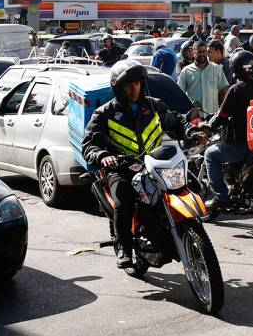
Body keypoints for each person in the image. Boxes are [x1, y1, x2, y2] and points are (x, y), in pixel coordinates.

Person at [82, 60, 194, 268]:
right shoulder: (104, 113)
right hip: (122, 168)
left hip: (156, 164)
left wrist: (192, 131)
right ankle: (123, 246)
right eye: (128, 85)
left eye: (137, 83)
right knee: (123, 198)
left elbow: (176, 121)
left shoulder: (154, 105)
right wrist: (103, 156)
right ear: (118, 87)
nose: (134, 89)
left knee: (186, 183)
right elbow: (89, 144)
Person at [203, 51, 253, 211]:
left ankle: (221, 198)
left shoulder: (236, 90)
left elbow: (221, 116)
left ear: (234, 68)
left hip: (243, 146)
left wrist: (209, 125)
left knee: (209, 154)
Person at [177, 41, 229, 115]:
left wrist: (223, 111)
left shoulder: (216, 69)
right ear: (193, 53)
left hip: (213, 115)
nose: (202, 54)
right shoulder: (186, 71)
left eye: (204, 51)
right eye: (199, 52)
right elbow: (180, 93)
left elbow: (224, 89)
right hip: (195, 117)